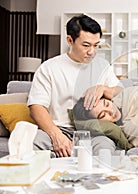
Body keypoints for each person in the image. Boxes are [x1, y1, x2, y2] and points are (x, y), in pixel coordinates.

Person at [27, 14, 123, 158]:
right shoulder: (49, 67)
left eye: (96, 45)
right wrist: (56, 136)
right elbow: (36, 107)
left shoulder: (102, 65)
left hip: (93, 132)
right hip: (59, 128)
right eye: (86, 45)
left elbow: (120, 91)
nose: (92, 51)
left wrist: (104, 88)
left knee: (104, 148)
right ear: (70, 40)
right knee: (33, 142)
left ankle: (96, 179)